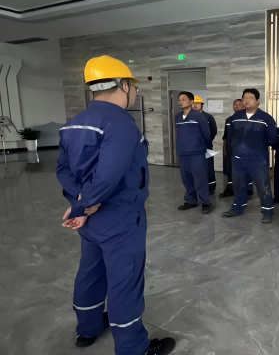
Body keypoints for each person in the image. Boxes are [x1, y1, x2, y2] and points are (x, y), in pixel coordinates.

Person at [56, 55, 175, 355]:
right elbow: (109, 175)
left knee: (91, 272)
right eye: (133, 86)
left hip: (91, 220)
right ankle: (133, 348)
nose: (133, 92)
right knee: (125, 281)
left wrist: (79, 205)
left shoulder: (73, 124)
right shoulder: (120, 123)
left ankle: (88, 328)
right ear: (123, 85)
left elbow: (63, 171)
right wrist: (87, 204)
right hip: (120, 217)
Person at [222, 88, 278, 223]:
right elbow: (230, 137)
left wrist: (257, 146)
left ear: (258, 101)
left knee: (263, 187)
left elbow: (273, 138)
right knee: (238, 186)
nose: (247, 100)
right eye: (245, 98)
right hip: (238, 159)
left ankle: (267, 211)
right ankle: (238, 207)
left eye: (250, 98)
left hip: (257, 160)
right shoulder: (235, 118)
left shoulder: (266, 119)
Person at [175, 92, 213, 214]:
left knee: (200, 179)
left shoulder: (198, 116)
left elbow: (207, 134)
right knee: (187, 179)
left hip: (197, 153)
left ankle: (206, 203)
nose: (181, 102)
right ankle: (191, 201)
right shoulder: (177, 117)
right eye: (179, 99)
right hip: (182, 153)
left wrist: (201, 147)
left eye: (184, 99)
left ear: (191, 102)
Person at [220, 99, 254, 198]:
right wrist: (224, 149)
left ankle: (248, 190)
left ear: (244, 106)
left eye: (239, 104)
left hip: (245, 151)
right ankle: (230, 189)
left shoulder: (248, 119)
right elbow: (225, 136)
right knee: (230, 170)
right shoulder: (229, 120)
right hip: (231, 150)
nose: (236, 106)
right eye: (235, 104)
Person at [192, 95, 218, 195]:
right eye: (193, 103)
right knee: (196, 169)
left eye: (198, 103)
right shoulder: (188, 117)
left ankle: (211, 187)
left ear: (202, 105)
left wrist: (207, 141)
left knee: (208, 168)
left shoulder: (208, 117)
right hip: (193, 148)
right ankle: (197, 187)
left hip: (207, 147)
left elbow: (213, 131)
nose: (195, 105)